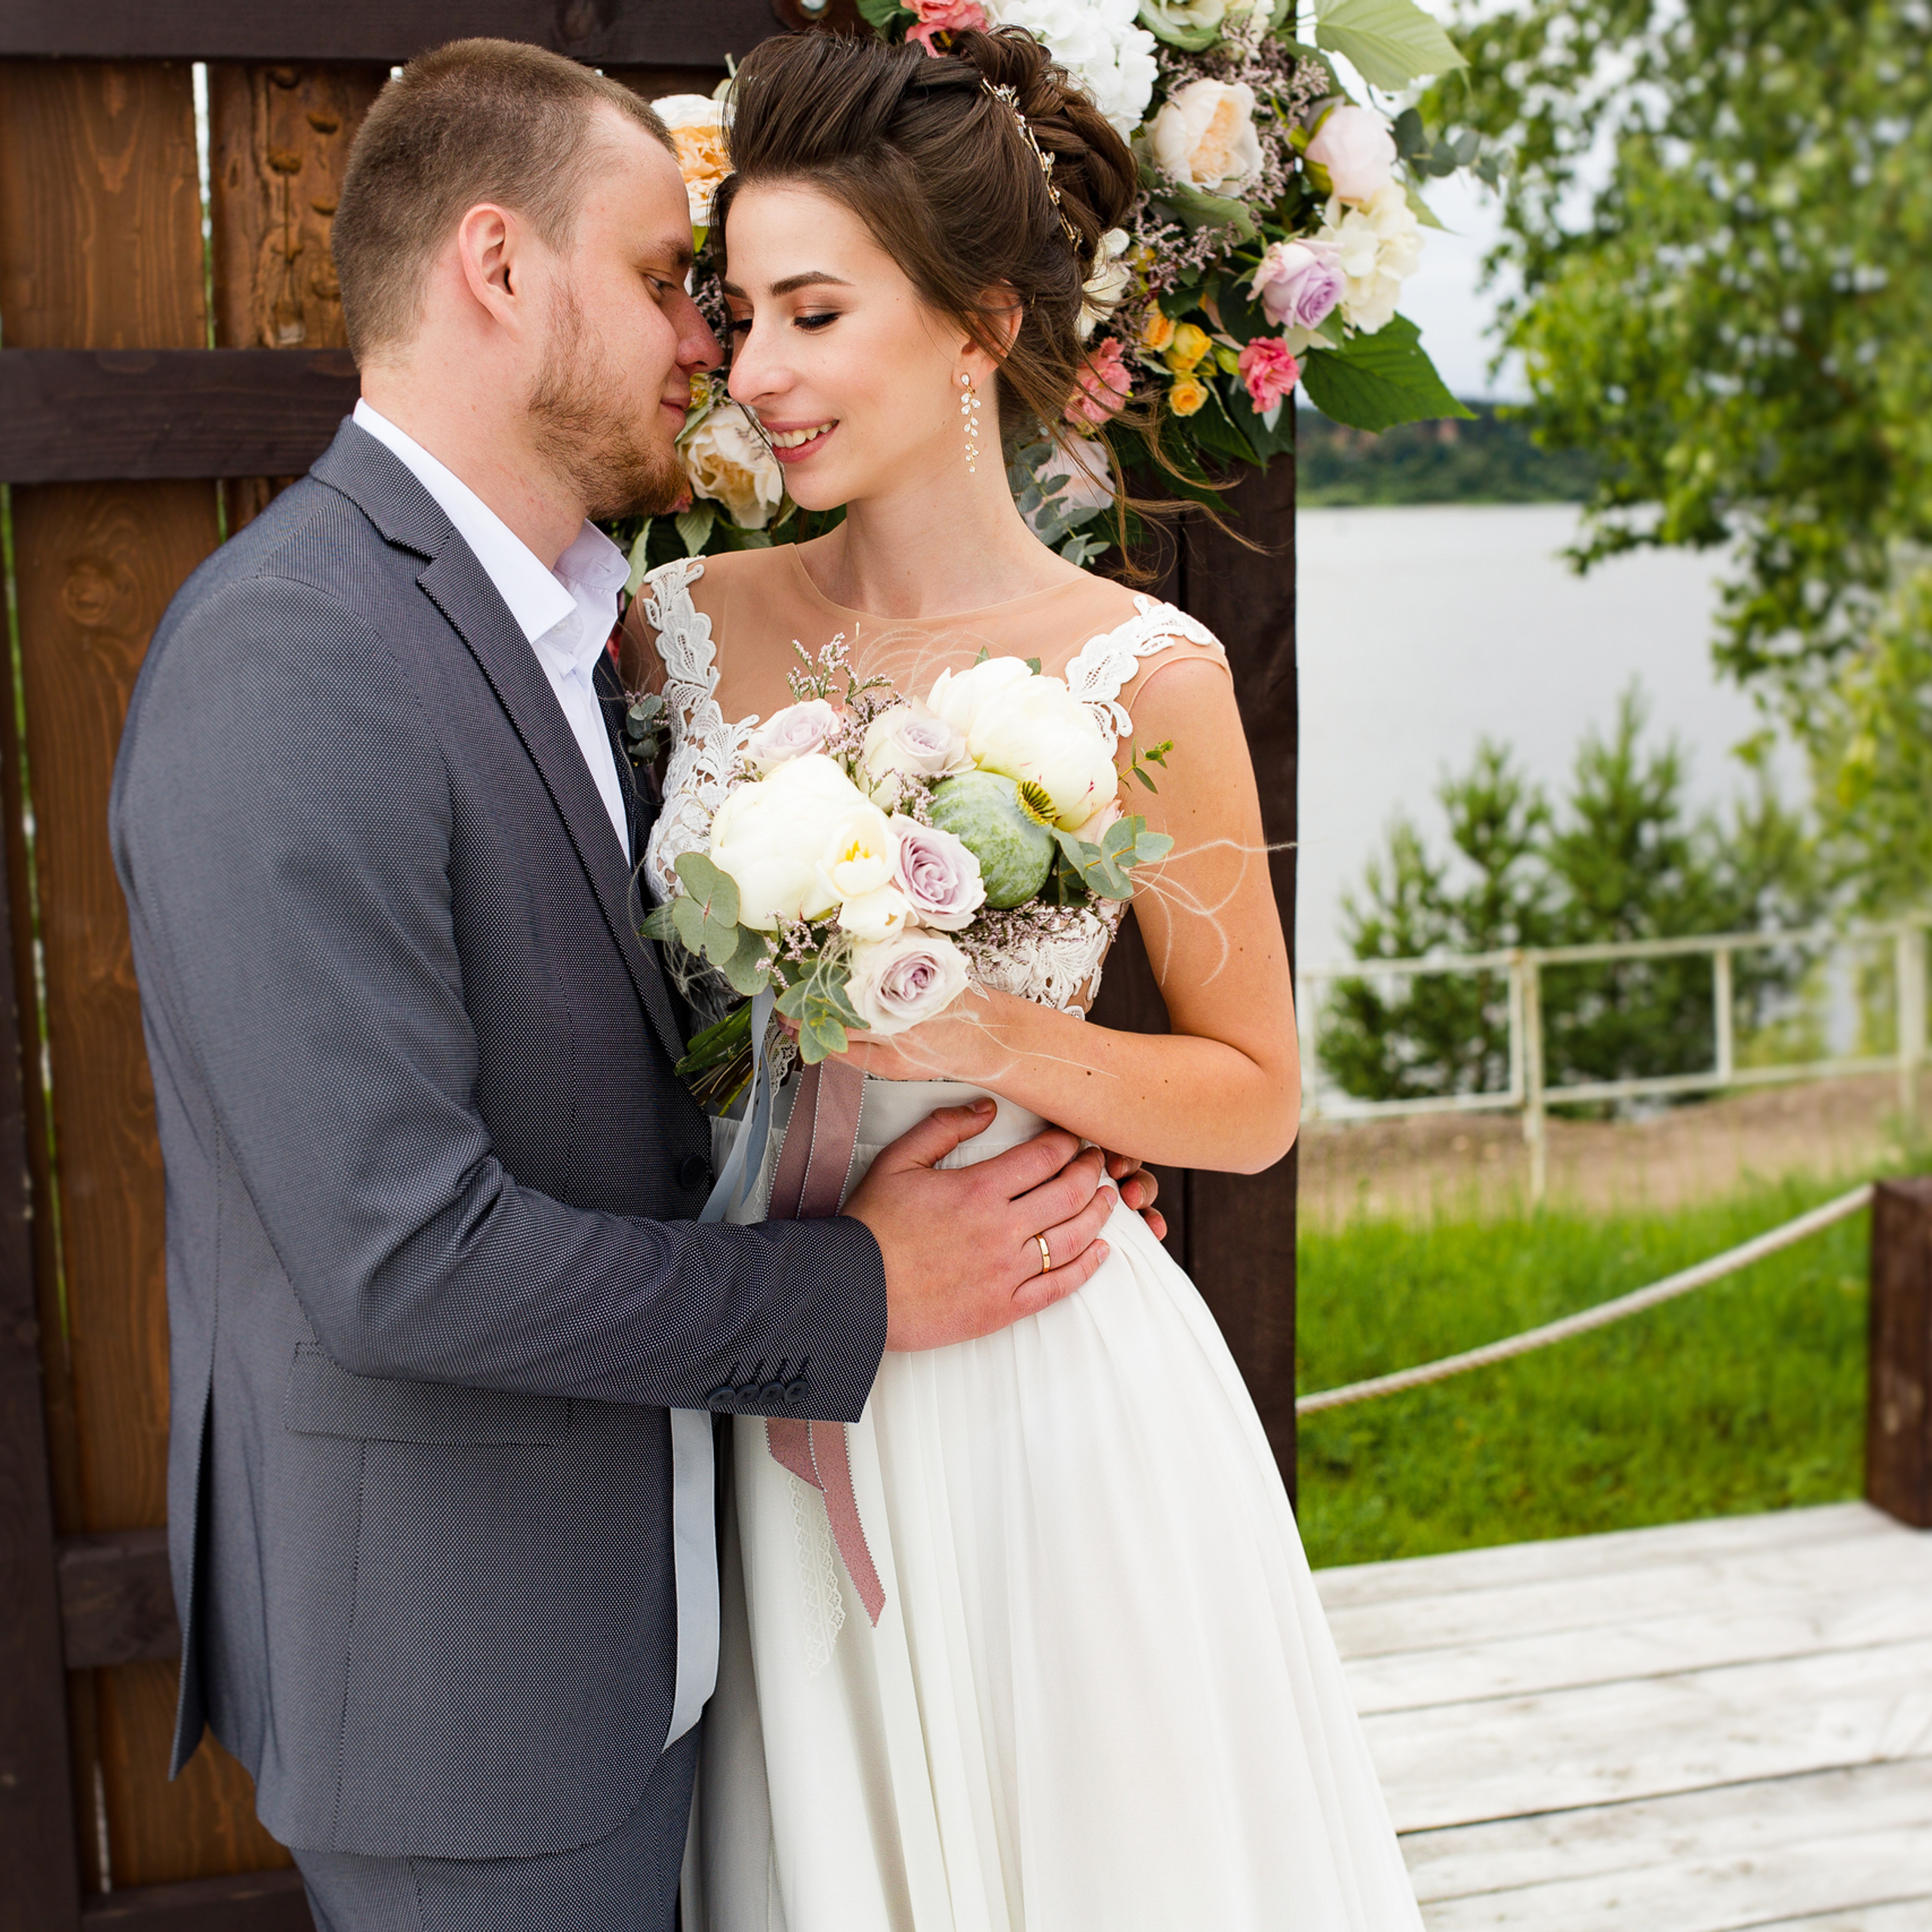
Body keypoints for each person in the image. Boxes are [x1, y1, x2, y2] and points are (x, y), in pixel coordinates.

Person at [109, 39, 1153, 1932]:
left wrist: (989, 1125)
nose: (714, 346)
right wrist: (866, 1282)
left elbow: (643, 1074)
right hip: (465, 1687)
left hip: (671, 1628)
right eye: (673, 278)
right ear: (498, 270)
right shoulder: (295, 656)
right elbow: (400, 1252)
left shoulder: (593, 637)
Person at [633, 29, 1423, 1931]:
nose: (757, 373)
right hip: (771, 1368)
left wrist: (989, 1030)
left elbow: (1251, 1092)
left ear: (979, 324)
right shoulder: (675, 634)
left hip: (1045, 1394)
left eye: (813, 313)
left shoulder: (1138, 673)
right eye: (739, 313)